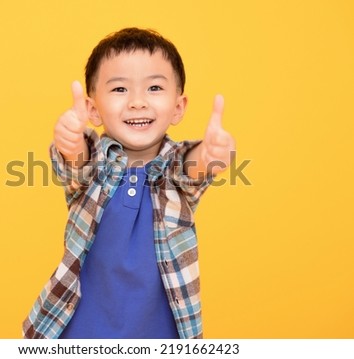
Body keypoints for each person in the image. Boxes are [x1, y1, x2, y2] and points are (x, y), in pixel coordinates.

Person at [23, 27, 235, 339]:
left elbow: (192, 167)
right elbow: (77, 164)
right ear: (93, 109)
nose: (137, 102)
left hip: (161, 332)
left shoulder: (174, 169)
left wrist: (211, 153)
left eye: (154, 88)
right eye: (120, 89)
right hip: (82, 328)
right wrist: (70, 143)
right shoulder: (95, 164)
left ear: (178, 107)